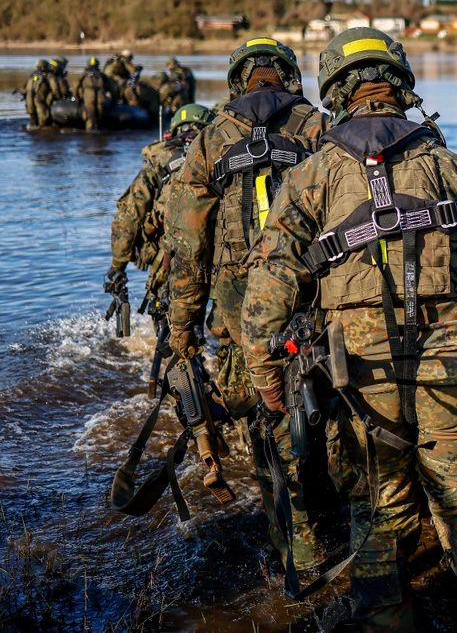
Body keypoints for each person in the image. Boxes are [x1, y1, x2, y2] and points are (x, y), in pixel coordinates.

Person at [240, 27, 457, 632]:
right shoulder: (453, 169)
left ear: (334, 92)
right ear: (401, 85)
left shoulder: (311, 177)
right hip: (453, 363)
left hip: (362, 377)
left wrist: (265, 373)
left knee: (379, 510)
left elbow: (268, 287)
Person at [164, 37, 333, 572]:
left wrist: (182, 329)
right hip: (314, 294)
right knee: (328, 404)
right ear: (289, 76)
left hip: (241, 310)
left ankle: (296, 546)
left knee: (268, 414)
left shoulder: (211, 138)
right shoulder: (320, 126)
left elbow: (187, 249)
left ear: (238, 80)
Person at [109, 103, 215, 301]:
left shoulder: (160, 160)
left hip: (169, 258)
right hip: (217, 258)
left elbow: (129, 215)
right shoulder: (219, 156)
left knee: (165, 309)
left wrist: (117, 266)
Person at [75, 57, 110, 131]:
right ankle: (97, 129)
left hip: (91, 95)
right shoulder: (101, 75)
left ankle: (90, 130)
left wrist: (77, 97)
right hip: (98, 95)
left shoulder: (84, 74)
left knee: (91, 114)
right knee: (98, 113)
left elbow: (76, 86)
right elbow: (110, 87)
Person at [23, 60, 53, 128]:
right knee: (43, 120)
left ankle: (33, 128)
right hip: (39, 100)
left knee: (33, 119)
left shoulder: (33, 75)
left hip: (29, 100)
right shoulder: (47, 75)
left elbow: (25, 87)